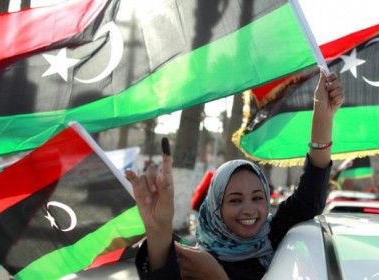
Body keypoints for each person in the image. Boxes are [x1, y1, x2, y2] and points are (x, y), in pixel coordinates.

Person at [126, 69, 344, 279]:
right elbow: (165, 272)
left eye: (257, 197)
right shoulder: (196, 263)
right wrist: (158, 229)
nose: (249, 209)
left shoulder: (274, 235)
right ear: (216, 207)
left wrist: (322, 117)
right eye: (235, 200)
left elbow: (310, 196)